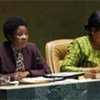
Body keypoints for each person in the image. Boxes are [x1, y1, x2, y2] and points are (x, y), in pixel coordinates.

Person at [0, 16, 51, 81]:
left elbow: (47, 71)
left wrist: (28, 73)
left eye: (26, 34)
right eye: (20, 34)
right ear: (10, 37)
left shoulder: (32, 48)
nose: (24, 37)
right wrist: (13, 77)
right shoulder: (1, 50)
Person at [60, 10, 100, 76]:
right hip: (85, 85)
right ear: (93, 30)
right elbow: (64, 68)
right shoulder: (80, 44)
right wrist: (91, 70)